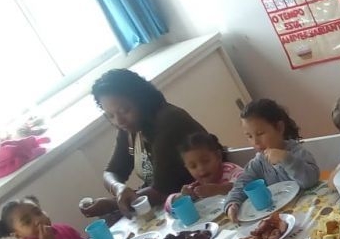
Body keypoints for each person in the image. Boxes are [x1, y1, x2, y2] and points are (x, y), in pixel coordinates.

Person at [93, 69, 208, 216]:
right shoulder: (129, 128)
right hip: (171, 205)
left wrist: (112, 204)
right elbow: (112, 171)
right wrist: (118, 188)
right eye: (110, 115)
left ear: (141, 100)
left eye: (124, 110)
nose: (119, 121)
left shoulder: (169, 121)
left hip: (200, 199)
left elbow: (161, 191)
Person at [225, 99, 320, 224]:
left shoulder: (296, 152)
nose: (255, 142)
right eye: (249, 136)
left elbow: (311, 180)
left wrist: (287, 159)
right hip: (280, 218)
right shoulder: (258, 163)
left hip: (307, 211)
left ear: (279, 128)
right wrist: (232, 203)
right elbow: (241, 184)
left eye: (260, 133)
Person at [164, 132, 244, 212]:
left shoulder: (230, 170)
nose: (201, 168)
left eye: (205, 161)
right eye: (193, 166)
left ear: (218, 156)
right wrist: (182, 197)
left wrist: (220, 189)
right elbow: (167, 207)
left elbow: (245, 181)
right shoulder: (196, 187)